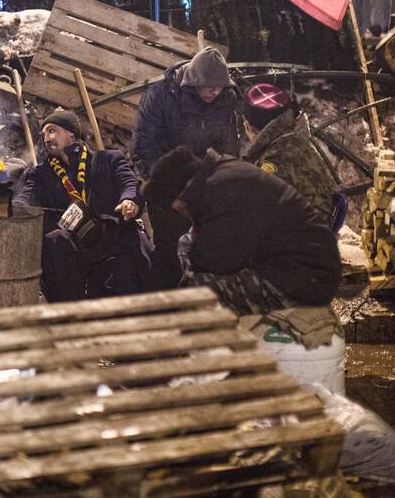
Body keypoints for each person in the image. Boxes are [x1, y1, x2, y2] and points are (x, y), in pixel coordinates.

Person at [141, 146, 339, 317]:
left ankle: (195, 357)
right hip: (291, 266)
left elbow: (216, 262)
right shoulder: (222, 174)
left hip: (305, 279)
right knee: (188, 253)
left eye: (173, 204)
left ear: (180, 191)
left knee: (199, 294)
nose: (177, 210)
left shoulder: (223, 187)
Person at [130, 46, 241, 288]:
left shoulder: (226, 99)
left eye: (221, 86)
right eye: (210, 85)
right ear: (193, 81)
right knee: (170, 255)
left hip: (205, 189)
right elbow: (143, 149)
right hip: (168, 188)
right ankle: (165, 311)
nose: (215, 91)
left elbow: (229, 147)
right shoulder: (159, 96)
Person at [15, 110, 151, 302]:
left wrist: (128, 200)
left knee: (132, 237)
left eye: (52, 131)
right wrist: (13, 210)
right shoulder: (41, 173)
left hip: (109, 233)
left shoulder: (108, 159)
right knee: (54, 240)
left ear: (71, 133)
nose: (46, 138)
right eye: (44, 134)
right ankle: (71, 311)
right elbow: (25, 197)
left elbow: (129, 183)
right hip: (74, 239)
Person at [242, 83, 339, 224]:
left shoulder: (275, 162)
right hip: (317, 230)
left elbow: (254, 214)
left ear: (248, 126)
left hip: (303, 239)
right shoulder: (294, 141)